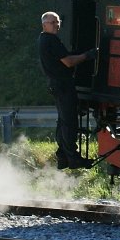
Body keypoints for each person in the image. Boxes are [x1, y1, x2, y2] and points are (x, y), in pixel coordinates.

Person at [38, 11, 97, 169]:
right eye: (53, 22)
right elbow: (69, 62)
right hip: (63, 84)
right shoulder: (51, 40)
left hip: (56, 84)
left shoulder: (44, 39)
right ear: (44, 25)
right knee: (69, 121)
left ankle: (63, 155)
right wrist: (87, 55)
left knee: (63, 120)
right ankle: (73, 157)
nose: (56, 25)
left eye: (57, 22)